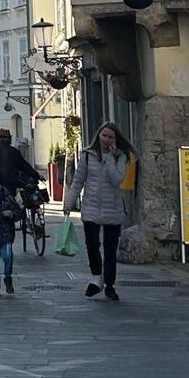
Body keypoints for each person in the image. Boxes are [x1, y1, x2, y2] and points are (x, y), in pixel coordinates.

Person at [65, 121, 136, 301]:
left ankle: (110, 284)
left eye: (110, 137)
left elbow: (116, 180)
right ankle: (97, 278)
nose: (106, 139)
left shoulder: (121, 157)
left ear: (115, 140)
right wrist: (68, 202)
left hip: (112, 208)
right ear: (98, 135)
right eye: (103, 135)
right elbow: (78, 181)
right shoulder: (88, 156)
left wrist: (110, 158)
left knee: (110, 249)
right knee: (92, 246)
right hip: (91, 207)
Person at [0, 127, 40, 195]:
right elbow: (24, 166)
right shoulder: (14, 151)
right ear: (9, 138)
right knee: (10, 202)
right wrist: (36, 175)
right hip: (9, 183)